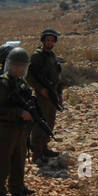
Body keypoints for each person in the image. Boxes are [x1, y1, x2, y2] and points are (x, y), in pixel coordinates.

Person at [0, 46, 40, 196]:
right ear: (11, 65)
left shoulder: (21, 84)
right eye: (18, 65)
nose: (20, 69)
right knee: (2, 164)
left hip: (20, 130)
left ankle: (17, 194)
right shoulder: (2, 83)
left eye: (23, 66)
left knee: (19, 162)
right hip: (6, 129)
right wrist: (19, 112)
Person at [27, 28, 64, 163]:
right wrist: (40, 89)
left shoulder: (52, 55)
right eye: (47, 40)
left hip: (52, 94)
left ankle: (44, 147)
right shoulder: (37, 55)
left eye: (52, 40)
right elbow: (29, 76)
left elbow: (57, 77)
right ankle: (36, 151)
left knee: (50, 121)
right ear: (43, 41)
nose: (49, 42)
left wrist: (59, 93)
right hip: (42, 95)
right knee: (40, 122)